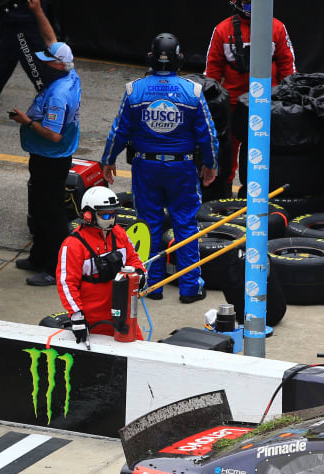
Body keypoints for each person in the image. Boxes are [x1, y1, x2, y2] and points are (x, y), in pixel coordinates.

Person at [101, 33, 219, 304]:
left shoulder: (135, 90)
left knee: (149, 225)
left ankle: (152, 285)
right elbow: (209, 136)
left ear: (151, 57)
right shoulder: (193, 91)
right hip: (182, 168)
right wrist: (211, 165)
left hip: (146, 167)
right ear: (180, 57)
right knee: (185, 225)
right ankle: (190, 288)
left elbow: (118, 130)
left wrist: (108, 159)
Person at [9, 0, 80, 288]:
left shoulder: (58, 95)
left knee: (51, 215)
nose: (40, 61)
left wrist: (26, 121)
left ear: (57, 65)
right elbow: (52, 41)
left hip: (51, 156)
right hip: (46, 156)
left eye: (45, 60)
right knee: (38, 208)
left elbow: (54, 135)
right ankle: (39, 256)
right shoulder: (69, 69)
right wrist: (37, 9)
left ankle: (56, 269)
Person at [205, 1, 296, 187]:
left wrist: (287, 98)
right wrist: (211, 105)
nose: (252, 7)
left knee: (265, 154)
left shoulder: (277, 28)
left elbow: (288, 68)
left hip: (266, 103)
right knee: (226, 153)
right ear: (236, 3)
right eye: (247, 3)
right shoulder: (222, 30)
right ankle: (222, 191)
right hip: (232, 104)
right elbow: (212, 73)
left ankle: (259, 192)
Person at [56, 187, 147, 343]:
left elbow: (133, 258)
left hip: (122, 313)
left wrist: (140, 274)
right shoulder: (73, 245)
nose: (111, 219)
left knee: (139, 350)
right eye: (105, 215)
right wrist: (77, 317)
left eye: (113, 214)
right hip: (93, 319)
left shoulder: (118, 233)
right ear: (88, 215)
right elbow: (66, 284)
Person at [0, 0, 52, 108]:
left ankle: (54, 110)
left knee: (37, 70)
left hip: (25, 17)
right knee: (0, 69)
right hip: (12, 16)